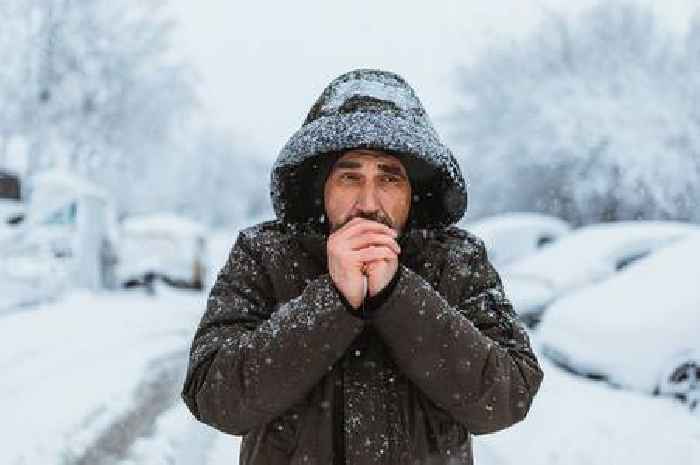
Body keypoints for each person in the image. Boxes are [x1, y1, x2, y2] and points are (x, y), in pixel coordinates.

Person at [181, 68, 544, 465]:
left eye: (389, 179)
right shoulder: (264, 254)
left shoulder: (456, 260)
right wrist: (332, 301)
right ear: (320, 187)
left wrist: (398, 295)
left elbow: (508, 396)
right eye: (350, 177)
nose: (369, 202)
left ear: (414, 193)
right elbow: (215, 397)